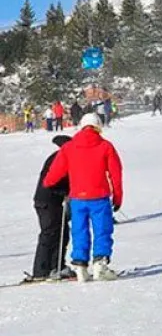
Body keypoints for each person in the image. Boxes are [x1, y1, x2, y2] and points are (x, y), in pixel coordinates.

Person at [42, 113, 123, 282]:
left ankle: (80, 266)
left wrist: (49, 183)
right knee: (102, 230)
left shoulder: (69, 148)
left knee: (80, 230)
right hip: (99, 197)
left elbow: (55, 173)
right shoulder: (106, 146)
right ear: (98, 126)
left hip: (77, 198)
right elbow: (116, 173)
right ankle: (100, 264)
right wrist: (117, 197)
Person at [31, 135, 75, 280]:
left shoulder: (61, 156)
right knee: (49, 233)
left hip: (51, 200)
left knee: (62, 231)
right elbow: (51, 181)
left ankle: (57, 265)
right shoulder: (59, 158)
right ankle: (41, 271)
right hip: (47, 200)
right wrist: (66, 192)